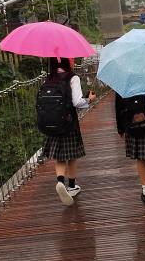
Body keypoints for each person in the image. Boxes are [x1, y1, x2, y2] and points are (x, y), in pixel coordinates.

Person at [42, 57, 96, 206]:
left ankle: (60, 181)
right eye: (71, 59)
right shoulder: (73, 78)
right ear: (67, 61)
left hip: (52, 123)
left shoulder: (49, 77)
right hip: (68, 122)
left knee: (60, 157)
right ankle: (72, 186)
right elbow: (77, 102)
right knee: (72, 156)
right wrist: (89, 99)